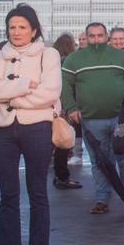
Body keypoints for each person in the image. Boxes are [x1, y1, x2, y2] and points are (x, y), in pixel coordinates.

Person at [0, 4, 62, 245]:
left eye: (22, 27)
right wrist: (23, 86)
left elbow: (50, 92)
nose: (16, 32)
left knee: (37, 192)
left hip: (37, 128)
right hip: (2, 130)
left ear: (33, 30)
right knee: (8, 196)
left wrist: (10, 97)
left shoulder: (48, 54)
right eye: (12, 27)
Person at [62, 22, 124, 214]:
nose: (96, 39)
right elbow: (65, 85)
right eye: (92, 36)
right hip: (91, 120)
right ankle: (102, 199)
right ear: (86, 38)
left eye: (100, 35)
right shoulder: (74, 59)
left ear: (106, 37)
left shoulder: (120, 56)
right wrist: (71, 107)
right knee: (99, 162)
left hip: (121, 119)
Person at [50, 33, 82, 190]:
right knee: (64, 140)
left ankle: (59, 175)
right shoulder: (68, 62)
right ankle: (62, 177)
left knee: (57, 140)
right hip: (64, 106)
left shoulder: (53, 61)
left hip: (54, 105)